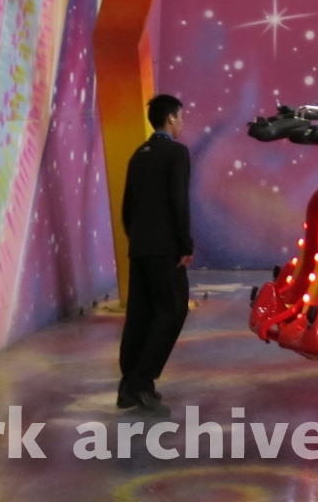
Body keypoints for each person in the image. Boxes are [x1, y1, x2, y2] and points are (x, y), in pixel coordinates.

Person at [118, 94, 192, 411]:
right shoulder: (176, 153)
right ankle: (139, 382)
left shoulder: (139, 154)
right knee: (173, 310)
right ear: (170, 118)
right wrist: (185, 244)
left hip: (140, 247)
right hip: (165, 249)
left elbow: (127, 207)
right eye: (181, 116)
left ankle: (129, 385)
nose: (182, 123)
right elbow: (179, 201)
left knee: (141, 314)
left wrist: (137, 238)